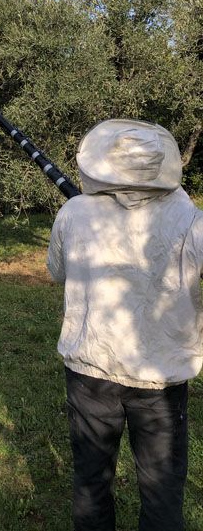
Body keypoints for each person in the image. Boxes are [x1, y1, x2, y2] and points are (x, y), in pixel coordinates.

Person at [47, 119, 203, 531]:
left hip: (90, 374)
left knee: (91, 484)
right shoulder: (190, 217)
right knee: (162, 489)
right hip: (159, 378)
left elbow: (56, 271)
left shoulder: (73, 212)